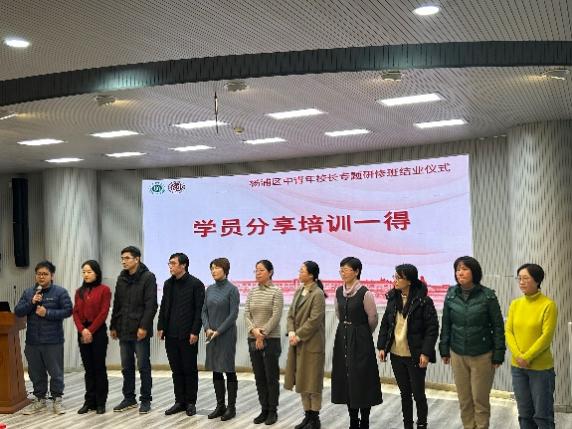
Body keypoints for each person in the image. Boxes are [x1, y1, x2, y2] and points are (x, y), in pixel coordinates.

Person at [439, 256, 505, 429]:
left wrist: (498, 354)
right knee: (464, 399)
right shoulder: (451, 294)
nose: (460, 273)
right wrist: (444, 349)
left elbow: (498, 326)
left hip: (482, 355)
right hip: (457, 353)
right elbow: (446, 324)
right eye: (458, 269)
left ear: (474, 272)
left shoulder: (488, 296)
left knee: (480, 399)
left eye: (464, 269)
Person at [377, 264, 439, 429]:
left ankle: (422, 424)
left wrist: (426, 352)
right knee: (405, 393)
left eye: (399, 277)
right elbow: (385, 325)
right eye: (395, 277)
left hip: (415, 355)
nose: (395, 280)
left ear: (409, 281)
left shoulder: (423, 301)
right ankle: (407, 425)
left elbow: (432, 330)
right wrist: (382, 347)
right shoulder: (393, 299)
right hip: (396, 354)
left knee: (418, 394)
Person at [15, 260, 72, 415]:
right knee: (35, 372)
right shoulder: (29, 293)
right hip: (33, 341)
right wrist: (31, 302)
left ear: (52, 276)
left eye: (45, 274)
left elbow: (67, 311)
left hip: (53, 341)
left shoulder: (60, 292)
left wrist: (48, 313)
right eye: (39, 274)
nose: (41, 277)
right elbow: (18, 311)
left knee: (55, 372)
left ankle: (57, 400)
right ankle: (39, 399)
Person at [331, 256, 382, 429]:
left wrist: (362, 332)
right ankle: (353, 420)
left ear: (356, 271)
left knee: (362, 378)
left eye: (346, 269)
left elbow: (372, 318)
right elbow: (338, 313)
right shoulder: (339, 291)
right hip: (343, 337)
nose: (342, 273)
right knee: (347, 378)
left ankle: (365, 420)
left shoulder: (365, 293)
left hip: (361, 338)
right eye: (341, 270)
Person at [505, 263, 557, 429]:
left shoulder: (548, 305)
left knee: (543, 415)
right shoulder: (515, 304)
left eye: (526, 278)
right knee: (525, 414)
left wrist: (527, 357)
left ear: (537, 280)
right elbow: (509, 331)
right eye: (519, 278)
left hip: (540, 369)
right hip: (518, 368)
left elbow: (546, 337)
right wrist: (518, 356)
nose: (521, 282)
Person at [110, 246, 158, 414]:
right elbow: (117, 303)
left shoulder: (148, 277)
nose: (123, 261)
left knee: (143, 366)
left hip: (139, 330)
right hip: (123, 329)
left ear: (137, 259)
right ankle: (129, 398)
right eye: (122, 258)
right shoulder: (122, 278)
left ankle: (145, 399)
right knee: (126, 367)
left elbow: (151, 305)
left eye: (127, 258)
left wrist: (144, 326)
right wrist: (113, 325)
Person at [157, 253, 205, 417]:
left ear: (183, 265)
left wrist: (195, 331)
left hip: (187, 334)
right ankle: (179, 401)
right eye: (169, 263)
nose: (170, 266)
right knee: (176, 369)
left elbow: (199, 310)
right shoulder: (168, 284)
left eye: (173, 263)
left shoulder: (196, 284)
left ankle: (191, 402)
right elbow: (164, 306)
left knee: (189, 369)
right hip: (171, 334)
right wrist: (161, 326)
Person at [284, 261, 326, 429]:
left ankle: (315, 419)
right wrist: (291, 332)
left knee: (313, 383)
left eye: (302, 271)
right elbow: (290, 315)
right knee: (301, 381)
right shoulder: (299, 290)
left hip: (312, 344)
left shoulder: (318, 294)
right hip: (298, 344)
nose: (299, 273)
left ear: (311, 275)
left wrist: (299, 335)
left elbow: (314, 320)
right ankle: (307, 416)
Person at [244, 259, 284, 425]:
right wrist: (254, 331)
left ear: (270, 272)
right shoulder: (252, 292)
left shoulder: (276, 291)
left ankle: (272, 411)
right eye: (256, 270)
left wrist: (262, 334)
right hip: (253, 338)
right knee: (259, 376)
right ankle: (264, 409)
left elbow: (276, 316)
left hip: (271, 340)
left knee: (271, 377)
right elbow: (246, 313)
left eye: (261, 270)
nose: (258, 273)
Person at [201, 257, 240, 421]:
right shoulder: (209, 289)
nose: (213, 271)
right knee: (215, 368)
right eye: (212, 268)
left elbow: (233, 314)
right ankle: (220, 405)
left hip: (226, 335)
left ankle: (231, 407)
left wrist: (219, 331)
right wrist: (207, 328)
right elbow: (204, 311)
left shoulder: (232, 290)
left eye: (216, 268)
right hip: (211, 335)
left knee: (228, 369)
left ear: (225, 270)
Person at [72, 260, 112, 415]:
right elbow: (75, 313)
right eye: (84, 272)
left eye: (89, 272)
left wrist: (90, 330)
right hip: (83, 332)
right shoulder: (79, 292)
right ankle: (89, 401)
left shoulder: (104, 290)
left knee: (99, 367)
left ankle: (100, 402)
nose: (86, 274)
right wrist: (82, 330)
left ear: (96, 273)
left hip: (98, 332)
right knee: (88, 369)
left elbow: (103, 312)